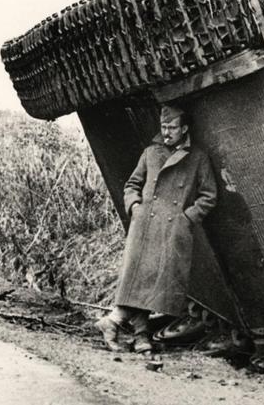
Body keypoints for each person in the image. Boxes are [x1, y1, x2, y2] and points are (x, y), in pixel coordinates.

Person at [95, 104, 217, 353]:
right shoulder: (151, 153)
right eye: (164, 127)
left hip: (173, 230)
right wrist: (135, 207)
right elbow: (131, 185)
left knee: (154, 283)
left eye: (172, 128)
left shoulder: (198, 158)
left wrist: (187, 218)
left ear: (184, 129)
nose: (167, 132)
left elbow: (208, 195)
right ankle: (139, 336)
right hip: (145, 225)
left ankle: (115, 323)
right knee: (142, 281)